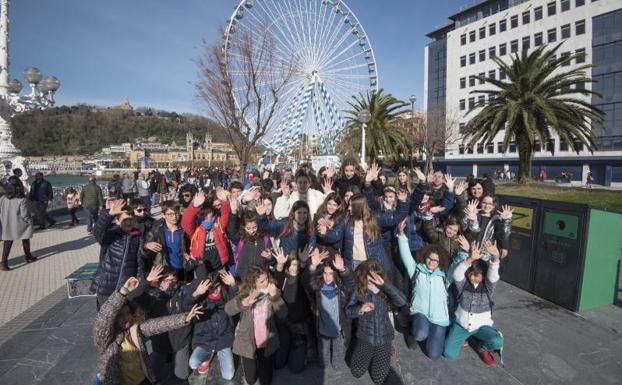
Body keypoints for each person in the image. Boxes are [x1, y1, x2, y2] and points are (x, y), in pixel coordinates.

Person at [92, 276, 203, 385]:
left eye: (128, 313)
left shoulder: (134, 329)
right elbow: (104, 318)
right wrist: (123, 292)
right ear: (114, 318)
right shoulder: (106, 339)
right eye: (120, 315)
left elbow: (160, 324)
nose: (126, 317)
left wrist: (185, 318)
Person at [443, 241, 504, 366]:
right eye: (471, 274)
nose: (472, 277)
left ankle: (482, 347)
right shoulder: (463, 285)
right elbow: (457, 274)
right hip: (462, 326)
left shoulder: (487, 287)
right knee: (449, 354)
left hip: (482, 327)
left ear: (483, 274)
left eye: (476, 275)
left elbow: (493, 275)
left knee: (497, 341)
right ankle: (466, 337)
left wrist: (496, 258)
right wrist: (470, 259)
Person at [346, 260, 406, 385]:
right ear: (363, 276)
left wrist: (385, 285)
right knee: (356, 372)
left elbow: (401, 301)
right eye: (369, 277)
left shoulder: (384, 290)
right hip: (365, 337)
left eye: (376, 276)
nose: (372, 281)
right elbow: (348, 311)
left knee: (379, 379)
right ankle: (369, 351)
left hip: (384, 337)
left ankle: (386, 349)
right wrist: (360, 309)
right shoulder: (359, 291)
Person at [225, 266, 287, 385]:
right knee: (251, 379)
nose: (266, 283)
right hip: (248, 342)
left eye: (267, 279)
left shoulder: (272, 291)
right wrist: (245, 302)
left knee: (266, 380)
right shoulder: (246, 293)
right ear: (254, 283)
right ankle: (248, 369)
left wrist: (275, 297)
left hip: (266, 343)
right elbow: (228, 309)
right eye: (262, 281)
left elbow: (283, 313)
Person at [397, 222, 450, 359]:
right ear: (425, 257)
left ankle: (434, 332)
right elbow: (406, 256)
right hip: (420, 312)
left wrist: (466, 257)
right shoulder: (417, 270)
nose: (432, 262)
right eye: (429, 258)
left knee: (434, 354)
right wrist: (402, 236)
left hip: (439, 318)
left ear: (440, 262)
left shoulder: (445, 276)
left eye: (435, 260)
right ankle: (414, 331)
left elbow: (458, 269)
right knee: (420, 334)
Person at [304, 251, 354, 371]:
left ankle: (337, 364)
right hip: (322, 329)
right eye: (325, 273)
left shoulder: (341, 288)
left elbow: (352, 285)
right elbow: (306, 282)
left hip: (338, 329)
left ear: (336, 275)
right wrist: (313, 266)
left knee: (338, 352)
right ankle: (324, 364)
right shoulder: (318, 287)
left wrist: (343, 269)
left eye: (331, 274)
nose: (327, 277)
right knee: (323, 351)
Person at [91, 199, 145, 310]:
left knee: (123, 319)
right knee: (105, 319)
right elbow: (97, 231)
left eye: (131, 219)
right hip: (106, 286)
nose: (129, 222)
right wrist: (108, 214)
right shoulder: (111, 235)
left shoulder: (137, 237)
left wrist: (140, 278)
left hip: (125, 287)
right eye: (125, 220)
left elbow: (139, 260)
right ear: (118, 221)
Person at [187, 270, 238, 380]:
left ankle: (219, 354)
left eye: (218, 286)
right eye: (212, 287)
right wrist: (195, 293)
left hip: (223, 340)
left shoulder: (226, 296)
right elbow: (186, 304)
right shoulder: (201, 300)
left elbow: (237, 300)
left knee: (228, 376)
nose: (215, 290)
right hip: (204, 341)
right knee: (193, 363)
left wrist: (234, 285)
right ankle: (207, 356)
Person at [0, 182, 36, 271]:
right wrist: (30, 221)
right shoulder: (22, 199)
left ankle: (3, 263)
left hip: (6, 223)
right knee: (26, 238)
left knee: (7, 243)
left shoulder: (3, 198)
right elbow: (24, 215)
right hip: (18, 223)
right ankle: (28, 257)